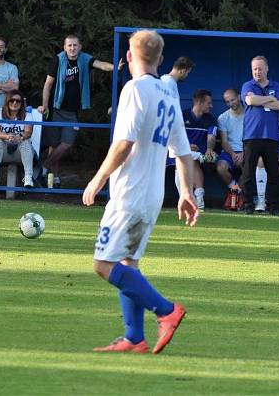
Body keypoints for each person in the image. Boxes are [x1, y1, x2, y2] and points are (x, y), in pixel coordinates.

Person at [81, 29, 197, 355]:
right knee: (127, 262)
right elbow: (184, 154)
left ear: (130, 57)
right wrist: (186, 192)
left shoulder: (134, 89)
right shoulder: (169, 95)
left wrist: (99, 178)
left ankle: (166, 310)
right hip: (153, 195)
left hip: (129, 192)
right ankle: (134, 337)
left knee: (103, 265)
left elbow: (124, 143)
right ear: (161, 60)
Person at [37, 34, 115, 187]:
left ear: (80, 47)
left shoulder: (85, 59)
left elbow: (100, 64)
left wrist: (114, 67)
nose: (72, 48)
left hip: (72, 112)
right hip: (55, 109)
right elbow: (48, 84)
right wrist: (44, 105)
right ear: (65, 47)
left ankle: (43, 168)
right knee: (54, 144)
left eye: (75, 45)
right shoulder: (57, 60)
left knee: (66, 143)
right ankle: (55, 178)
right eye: (69, 45)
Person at [239, 56, 279, 215]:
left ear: (267, 69)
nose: (257, 72)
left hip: (272, 136)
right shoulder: (248, 85)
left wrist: (263, 101)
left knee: (274, 172)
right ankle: (247, 204)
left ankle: (273, 206)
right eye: (254, 69)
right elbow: (251, 100)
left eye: (260, 68)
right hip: (252, 135)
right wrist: (270, 99)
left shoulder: (276, 85)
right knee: (248, 172)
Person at [176, 88, 217, 210]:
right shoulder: (182, 115)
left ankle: (197, 198)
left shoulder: (210, 119)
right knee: (187, 158)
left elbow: (211, 137)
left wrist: (210, 149)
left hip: (201, 154)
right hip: (181, 153)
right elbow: (174, 137)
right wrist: (186, 146)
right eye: (208, 103)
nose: (211, 106)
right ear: (199, 102)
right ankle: (194, 197)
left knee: (192, 159)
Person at [0, 90, 35, 188]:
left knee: (25, 142)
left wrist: (19, 137)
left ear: (22, 103)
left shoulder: (27, 115)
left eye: (18, 101)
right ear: (7, 101)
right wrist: (7, 136)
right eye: (12, 100)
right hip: (3, 151)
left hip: (20, 152)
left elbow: (28, 132)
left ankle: (28, 177)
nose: (15, 103)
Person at [215, 88, 245, 193]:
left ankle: (238, 197)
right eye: (227, 102)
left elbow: (253, 139)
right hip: (229, 151)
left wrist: (243, 153)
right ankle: (235, 189)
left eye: (232, 100)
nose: (231, 103)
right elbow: (224, 141)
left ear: (239, 97)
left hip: (246, 151)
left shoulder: (250, 115)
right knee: (220, 168)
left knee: (249, 171)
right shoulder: (222, 118)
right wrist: (233, 154)